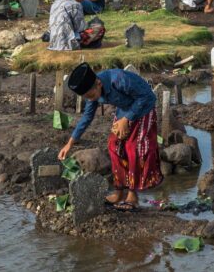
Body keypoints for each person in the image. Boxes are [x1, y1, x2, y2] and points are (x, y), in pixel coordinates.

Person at [59, 63, 162, 211]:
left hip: (143, 109)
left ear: (99, 83)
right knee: (114, 146)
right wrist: (69, 144)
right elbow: (87, 117)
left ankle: (132, 195)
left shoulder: (119, 79)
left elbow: (148, 97)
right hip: (124, 111)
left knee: (133, 149)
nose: (92, 99)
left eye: (91, 96)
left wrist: (127, 119)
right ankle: (119, 192)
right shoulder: (93, 93)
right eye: (88, 97)